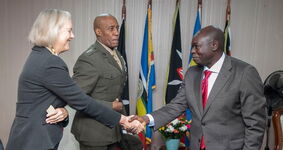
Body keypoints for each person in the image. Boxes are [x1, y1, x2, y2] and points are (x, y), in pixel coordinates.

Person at [6, 9, 143, 150]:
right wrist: (122, 120)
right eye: (69, 31)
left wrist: (64, 112)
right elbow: (82, 101)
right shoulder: (50, 62)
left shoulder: (40, 56)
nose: (72, 36)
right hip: (34, 141)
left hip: (32, 138)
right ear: (54, 31)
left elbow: (49, 101)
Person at [130, 25, 267, 150]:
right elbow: (176, 106)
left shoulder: (244, 73)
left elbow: (256, 124)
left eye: (196, 46)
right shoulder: (191, 73)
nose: (192, 51)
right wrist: (146, 119)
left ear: (214, 45)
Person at [71, 13, 139, 150]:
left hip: (113, 129)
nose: (116, 33)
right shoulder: (89, 59)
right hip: (94, 133)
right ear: (98, 31)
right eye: (111, 29)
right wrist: (111, 106)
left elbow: (114, 91)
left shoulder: (115, 54)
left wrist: (126, 118)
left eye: (117, 28)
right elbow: (75, 98)